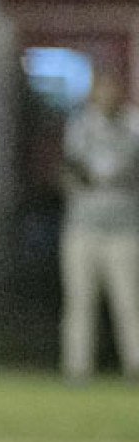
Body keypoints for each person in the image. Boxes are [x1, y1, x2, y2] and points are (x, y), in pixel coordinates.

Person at [59, 68, 139, 385]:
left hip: (125, 228)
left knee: (128, 301)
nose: (107, 95)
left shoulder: (133, 125)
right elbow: (72, 168)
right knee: (79, 302)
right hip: (83, 226)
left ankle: (134, 366)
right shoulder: (81, 125)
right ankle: (77, 370)